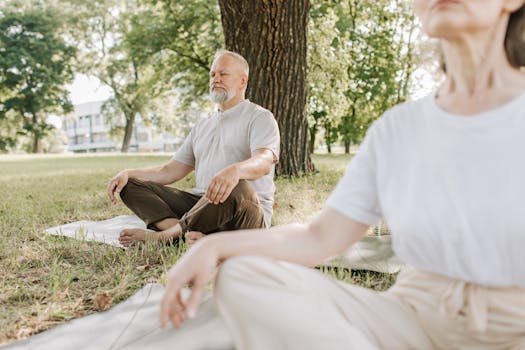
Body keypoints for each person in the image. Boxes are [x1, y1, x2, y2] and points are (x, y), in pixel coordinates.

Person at [160, 1, 525, 349]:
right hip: (412, 314)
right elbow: (319, 237)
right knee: (243, 276)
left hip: (512, 324)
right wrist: (215, 245)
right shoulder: (397, 128)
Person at [107, 50, 280, 247]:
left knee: (238, 185)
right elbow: (169, 171)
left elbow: (264, 161)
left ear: (242, 81)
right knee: (131, 184)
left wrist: (235, 171)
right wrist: (127, 173)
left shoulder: (259, 117)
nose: (216, 79)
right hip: (202, 208)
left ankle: (166, 236)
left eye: (223, 74)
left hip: (243, 215)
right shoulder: (202, 126)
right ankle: (186, 236)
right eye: (212, 74)